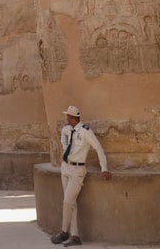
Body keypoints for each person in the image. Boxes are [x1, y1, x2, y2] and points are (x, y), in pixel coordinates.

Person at [51, 106, 111, 247]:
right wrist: (65, 147)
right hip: (65, 167)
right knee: (71, 202)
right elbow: (63, 137)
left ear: (73, 118)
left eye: (68, 117)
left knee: (67, 201)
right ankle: (75, 236)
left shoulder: (85, 132)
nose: (66, 119)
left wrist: (104, 168)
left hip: (77, 170)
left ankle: (64, 232)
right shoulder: (67, 129)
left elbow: (98, 148)